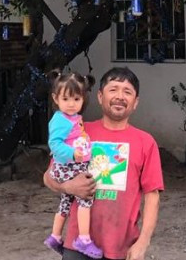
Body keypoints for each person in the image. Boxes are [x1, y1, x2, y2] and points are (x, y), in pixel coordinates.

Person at [43, 67, 163, 260]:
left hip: (121, 246)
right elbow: (48, 176)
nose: (120, 96)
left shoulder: (145, 142)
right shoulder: (78, 132)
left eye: (127, 91)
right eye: (113, 89)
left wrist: (143, 241)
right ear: (100, 96)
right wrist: (67, 186)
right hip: (77, 245)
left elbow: (152, 195)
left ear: (136, 102)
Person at [44, 71, 101, 259]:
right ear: (55, 98)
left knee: (66, 202)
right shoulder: (61, 120)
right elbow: (54, 144)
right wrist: (73, 154)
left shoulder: (72, 118)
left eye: (76, 99)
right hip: (69, 168)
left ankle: (54, 236)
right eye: (66, 98)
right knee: (86, 197)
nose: (71, 103)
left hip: (68, 166)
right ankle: (84, 240)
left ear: (83, 99)